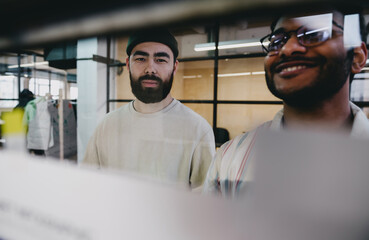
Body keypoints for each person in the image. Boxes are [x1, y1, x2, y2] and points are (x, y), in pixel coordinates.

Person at [203, 5, 368, 197]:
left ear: (357, 56)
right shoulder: (230, 157)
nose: (287, 49)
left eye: (314, 34)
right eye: (277, 41)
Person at [83, 28, 215, 190]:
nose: (150, 68)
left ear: (174, 67)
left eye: (160, 60)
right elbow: (89, 185)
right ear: (128, 65)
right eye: (140, 59)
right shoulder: (107, 125)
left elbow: (206, 200)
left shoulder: (198, 129)